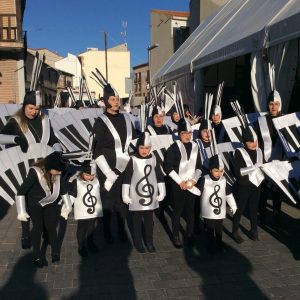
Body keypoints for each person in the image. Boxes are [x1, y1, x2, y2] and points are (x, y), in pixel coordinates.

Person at [0, 90, 62, 250]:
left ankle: (43, 228)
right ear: (24, 106)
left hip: (44, 167)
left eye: (37, 108)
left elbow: (54, 139)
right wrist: (15, 139)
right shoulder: (16, 121)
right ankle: (26, 233)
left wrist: (58, 150)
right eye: (31, 108)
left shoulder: (45, 120)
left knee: (43, 197)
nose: (34, 112)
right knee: (26, 200)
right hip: (25, 168)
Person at [93, 82, 137, 244]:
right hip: (107, 170)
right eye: (112, 99)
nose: (116, 102)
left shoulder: (126, 118)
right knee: (108, 202)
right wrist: (108, 173)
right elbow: (96, 150)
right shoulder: (100, 121)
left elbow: (134, 141)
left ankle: (121, 230)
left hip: (124, 167)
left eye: (117, 99)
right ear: (105, 101)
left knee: (123, 201)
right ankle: (107, 233)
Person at [15, 151, 71, 268]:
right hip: (35, 204)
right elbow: (21, 192)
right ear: (50, 166)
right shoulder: (35, 172)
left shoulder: (56, 172)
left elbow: (62, 189)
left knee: (51, 226)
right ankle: (36, 256)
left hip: (49, 202)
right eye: (58, 170)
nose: (60, 173)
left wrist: (68, 205)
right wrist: (21, 211)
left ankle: (55, 251)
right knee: (38, 228)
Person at [122, 132, 166, 253]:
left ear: (150, 148)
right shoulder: (133, 159)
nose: (144, 151)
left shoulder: (153, 158)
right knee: (136, 221)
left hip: (150, 196)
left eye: (147, 148)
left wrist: (162, 191)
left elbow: (159, 176)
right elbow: (127, 178)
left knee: (148, 220)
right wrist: (125, 194)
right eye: (142, 148)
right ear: (138, 147)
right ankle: (138, 242)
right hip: (136, 196)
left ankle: (149, 241)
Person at [164, 118, 201, 248]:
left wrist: (194, 180)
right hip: (178, 184)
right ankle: (175, 236)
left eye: (189, 133)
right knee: (178, 211)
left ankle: (190, 235)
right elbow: (168, 167)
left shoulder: (196, 146)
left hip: (191, 183)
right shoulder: (173, 148)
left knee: (190, 211)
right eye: (184, 133)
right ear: (179, 134)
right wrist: (180, 182)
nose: (187, 136)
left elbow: (199, 166)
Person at [256, 90, 285, 228]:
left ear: (280, 105)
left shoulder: (285, 120)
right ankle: (262, 217)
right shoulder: (260, 121)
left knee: (278, 193)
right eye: (271, 104)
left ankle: (277, 216)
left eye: (276, 104)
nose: (273, 107)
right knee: (263, 192)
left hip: (280, 162)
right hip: (264, 162)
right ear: (267, 105)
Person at [232, 125, 264, 243]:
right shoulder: (239, 152)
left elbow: (262, 166)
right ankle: (234, 230)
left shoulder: (259, 151)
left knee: (254, 208)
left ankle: (253, 229)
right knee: (240, 208)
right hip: (244, 185)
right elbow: (239, 172)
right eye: (250, 142)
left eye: (255, 141)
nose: (253, 144)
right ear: (244, 142)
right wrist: (254, 167)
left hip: (257, 184)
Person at [198, 154, 237, 254]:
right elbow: (198, 192)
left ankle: (219, 244)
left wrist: (233, 205)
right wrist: (191, 188)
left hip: (220, 209)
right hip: (208, 209)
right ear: (210, 170)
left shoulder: (223, 180)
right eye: (216, 171)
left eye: (221, 171)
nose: (218, 173)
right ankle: (210, 245)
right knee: (210, 228)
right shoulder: (205, 179)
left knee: (219, 228)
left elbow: (228, 194)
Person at [67, 161, 103, 257]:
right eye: (87, 175)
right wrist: (66, 207)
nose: (90, 177)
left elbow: (101, 193)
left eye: (92, 175)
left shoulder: (97, 181)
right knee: (82, 228)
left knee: (91, 227)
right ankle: (81, 246)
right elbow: (72, 195)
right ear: (82, 173)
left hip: (94, 210)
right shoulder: (77, 181)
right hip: (82, 210)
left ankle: (90, 243)